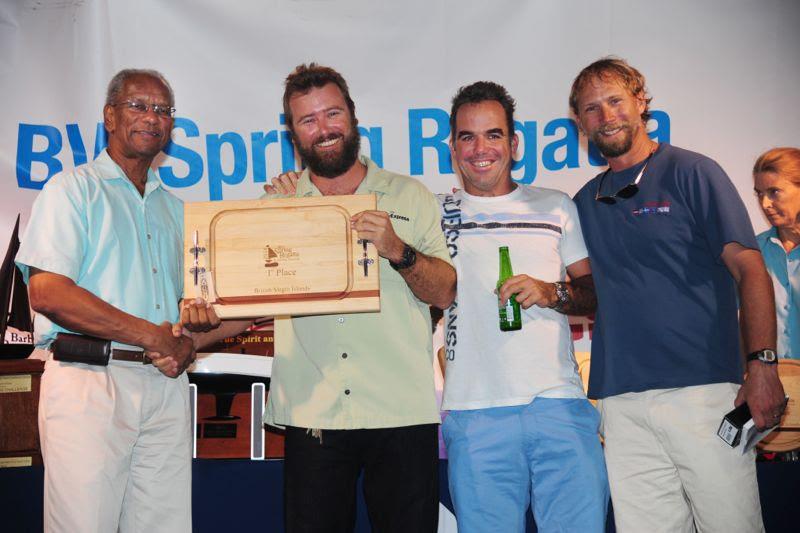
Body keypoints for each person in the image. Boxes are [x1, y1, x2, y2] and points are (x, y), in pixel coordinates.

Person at [570, 57, 785, 532]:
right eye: (591, 109)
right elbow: (584, 295)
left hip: (705, 393)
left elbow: (751, 270)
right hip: (621, 401)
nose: (605, 116)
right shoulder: (584, 202)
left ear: (641, 102)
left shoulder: (693, 172)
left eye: (615, 101)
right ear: (579, 123)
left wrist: (762, 365)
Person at [15, 69, 219, 533]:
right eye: (139, 106)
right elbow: (48, 293)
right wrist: (153, 336)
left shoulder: (178, 210)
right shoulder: (72, 190)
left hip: (164, 386)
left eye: (164, 110)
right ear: (109, 116)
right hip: (88, 380)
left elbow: (192, 311)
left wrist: (186, 343)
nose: (153, 117)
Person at [263, 63, 456, 532]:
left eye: (332, 114)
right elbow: (244, 300)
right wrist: (199, 317)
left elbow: (447, 290)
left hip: (401, 411)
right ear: (293, 134)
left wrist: (399, 251)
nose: (323, 129)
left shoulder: (410, 196)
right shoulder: (276, 205)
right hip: (314, 415)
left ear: (353, 116)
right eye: (308, 121)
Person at [437, 81, 608, 532]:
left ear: (513, 143)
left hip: (559, 405)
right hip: (475, 413)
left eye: (493, 135)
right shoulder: (434, 212)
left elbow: (595, 294)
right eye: (467, 137)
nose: (480, 149)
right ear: (452, 146)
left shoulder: (554, 206)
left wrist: (554, 293)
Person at [753, 147, 800, 359]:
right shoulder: (752, 252)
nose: (764, 204)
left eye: (774, 192)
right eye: (759, 194)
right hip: (771, 384)